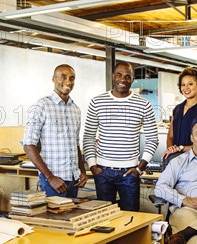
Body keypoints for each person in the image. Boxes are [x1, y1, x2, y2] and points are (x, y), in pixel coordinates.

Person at [83, 61, 158, 210]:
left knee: (132, 218)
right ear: (113, 76)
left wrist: (139, 168)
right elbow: (88, 137)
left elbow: (153, 139)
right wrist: (92, 166)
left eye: (127, 76)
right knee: (104, 219)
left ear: (132, 79)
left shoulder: (144, 105)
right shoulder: (97, 102)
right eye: (119, 75)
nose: (122, 80)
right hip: (102, 171)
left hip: (129, 173)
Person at [22, 64, 88, 197]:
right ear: (53, 79)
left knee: (71, 216)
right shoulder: (41, 106)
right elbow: (28, 145)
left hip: (73, 180)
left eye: (72, 78)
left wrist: (82, 171)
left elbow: (75, 145)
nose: (68, 81)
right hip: (53, 181)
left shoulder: (75, 109)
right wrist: (50, 177)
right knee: (54, 217)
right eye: (63, 77)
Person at [163, 67, 197, 159]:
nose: (186, 88)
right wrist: (171, 149)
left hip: (195, 160)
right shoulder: (177, 109)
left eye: (190, 84)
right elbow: (170, 136)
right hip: (175, 158)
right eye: (183, 84)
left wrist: (180, 148)